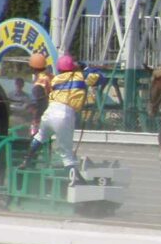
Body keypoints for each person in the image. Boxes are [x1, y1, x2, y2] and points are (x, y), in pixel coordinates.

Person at [20, 54, 103, 184]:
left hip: (49, 112)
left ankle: (26, 159)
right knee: (67, 154)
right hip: (65, 115)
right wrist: (85, 67)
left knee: (40, 136)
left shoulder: (56, 79)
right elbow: (100, 77)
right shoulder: (81, 77)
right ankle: (78, 181)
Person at [27, 52, 53, 136]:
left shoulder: (39, 83)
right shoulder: (51, 76)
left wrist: (35, 121)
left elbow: (38, 104)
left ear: (32, 68)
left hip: (43, 117)